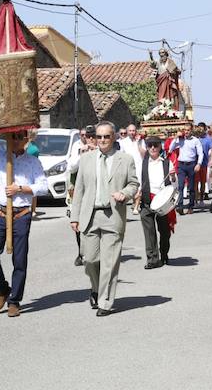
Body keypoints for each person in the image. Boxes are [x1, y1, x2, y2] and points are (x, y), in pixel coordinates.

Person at [70, 121, 139, 316]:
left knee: (109, 262)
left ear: (114, 137)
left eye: (106, 136)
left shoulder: (125, 160)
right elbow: (80, 190)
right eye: (99, 136)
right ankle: (95, 287)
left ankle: (105, 302)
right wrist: (74, 217)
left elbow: (134, 184)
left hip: (112, 215)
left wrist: (124, 193)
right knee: (90, 260)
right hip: (90, 215)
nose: (102, 140)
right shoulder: (86, 159)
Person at [0, 131, 48, 318]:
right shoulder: (0, 156)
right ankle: (3, 289)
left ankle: (15, 300)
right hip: (0, 212)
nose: (16, 141)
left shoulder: (33, 162)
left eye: (20, 137)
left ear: (26, 140)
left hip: (21, 214)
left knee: (19, 259)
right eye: (13, 137)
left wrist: (21, 189)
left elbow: (43, 186)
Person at [138, 137, 176, 268]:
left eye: (155, 145)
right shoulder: (142, 163)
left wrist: (172, 176)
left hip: (162, 202)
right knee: (149, 232)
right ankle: (152, 259)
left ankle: (164, 254)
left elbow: (174, 183)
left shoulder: (166, 162)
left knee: (164, 231)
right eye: (150, 145)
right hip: (147, 200)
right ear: (147, 147)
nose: (152, 148)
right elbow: (138, 181)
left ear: (160, 147)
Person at [68, 125, 98, 266]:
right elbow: (71, 167)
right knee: (78, 221)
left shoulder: (101, 148)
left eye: (93, 136)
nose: (90, 139)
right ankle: (81, 252)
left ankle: (95, 251)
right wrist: (82, 154)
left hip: (96, 189)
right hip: (80, 190)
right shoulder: (77, 147)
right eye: (87, 136)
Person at [169, 123, 204, 215]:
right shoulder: (180, 140)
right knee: (180, 186)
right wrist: (176, 137)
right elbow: (171, 148)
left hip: (191, 165)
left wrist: (199, 164)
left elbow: (200, 153)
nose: (186, 132)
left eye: (188, 130)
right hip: (181, 165)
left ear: (191, 130)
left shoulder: (195, 140)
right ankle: (180, 206)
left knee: (191, 187)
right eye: (185, 130)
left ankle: (191, 206)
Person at [119, 124, 146, 214]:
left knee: (139, 186)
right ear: (127, 131)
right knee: (128, 186)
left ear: (136, 131)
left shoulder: (141, 141)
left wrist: (138, 143)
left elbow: (144, 154)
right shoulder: (123, 142)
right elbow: (121, 155)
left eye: (133, 131)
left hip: (139, 166)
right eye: (130, 131)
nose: (132, 133)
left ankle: (136, 206)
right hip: (127, 167)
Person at [196, 122, 212, 205]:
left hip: (204, 163)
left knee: (203, 182)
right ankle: (196, 199)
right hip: (195, 163)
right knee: (195, 182)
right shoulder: (195, 137)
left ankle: (201, 199)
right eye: (199, 127)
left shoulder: (208, 138)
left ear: (205, 128)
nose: (200, 129)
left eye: (201, 127)